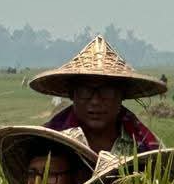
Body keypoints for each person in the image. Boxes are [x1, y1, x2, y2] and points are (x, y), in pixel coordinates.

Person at [30, 35, 164, 155]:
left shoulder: (147, 148)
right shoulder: (46, 143)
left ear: (121, 95)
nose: (95, 101)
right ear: (72, 94)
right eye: (85, 91)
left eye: (106, 91)